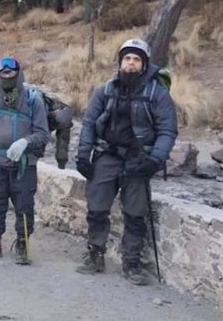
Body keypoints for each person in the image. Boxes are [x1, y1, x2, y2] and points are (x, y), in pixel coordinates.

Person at [75, 38, 177, 285]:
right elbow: (89, 123)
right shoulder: (105, 90)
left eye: (136, 59)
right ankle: (95, 253)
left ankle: (131, 263)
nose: (131, 63)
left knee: (135, 213)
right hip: (107, 155)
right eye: (127, 59)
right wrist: (83, 154)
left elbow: (167, 130)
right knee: (97, 207)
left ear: (144, 64)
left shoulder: (158, 94)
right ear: (120, 62)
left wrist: (155, 159)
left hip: (138, 160)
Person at [0, 57, 49, 265]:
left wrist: (26, 141)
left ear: (18, 73)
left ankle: (23, 243)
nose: (7, 76)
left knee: (24, 204)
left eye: (11, 72)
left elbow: (43, 133)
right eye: (3, 73)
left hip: (25, 164)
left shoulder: (33, 100)